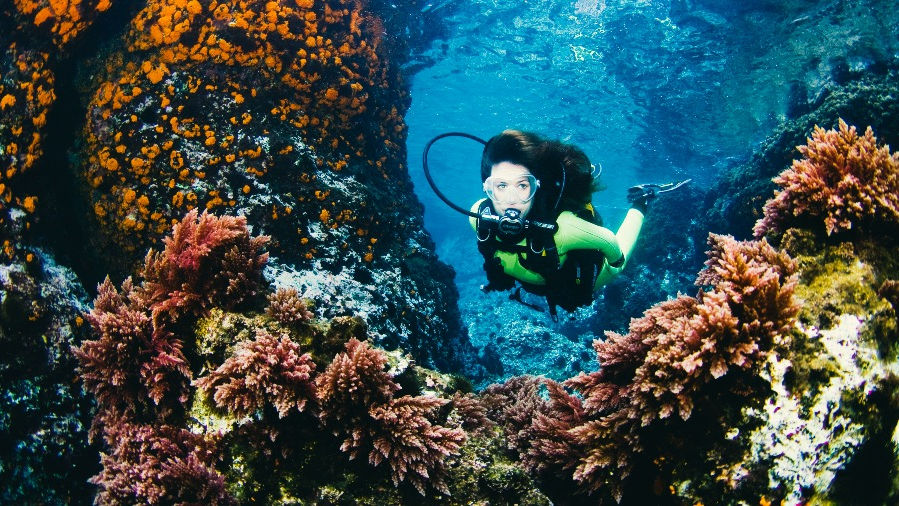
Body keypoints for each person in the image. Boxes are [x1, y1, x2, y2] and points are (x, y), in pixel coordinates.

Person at [470, 129, 650, 319]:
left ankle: (641, 202)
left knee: (617, 267)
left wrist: (615, 264)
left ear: (536, 186)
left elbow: (609, 241)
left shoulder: (563, 229)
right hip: (539, 281)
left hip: (573, 283)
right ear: (487, 187)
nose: (511, 200)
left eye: (522, 185)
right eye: (501, 186)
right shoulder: (477, 217)